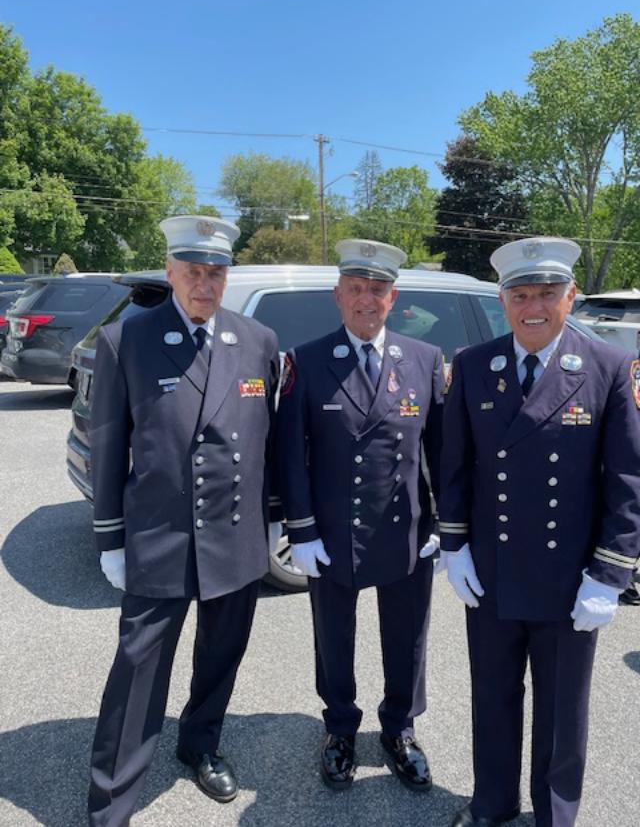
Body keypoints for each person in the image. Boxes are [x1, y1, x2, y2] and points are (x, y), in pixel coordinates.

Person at [438, 237, 640, 827]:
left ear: (570, 296)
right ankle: (492, 804)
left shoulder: (607, 366)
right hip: (493, 570)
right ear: (503, 300)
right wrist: (454, 545)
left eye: (547, 294)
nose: (533, 307)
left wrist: (609, 573)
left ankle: (555, 815)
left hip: (569, 576)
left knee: (561, 709)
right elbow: (455, 464)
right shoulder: (474, 364)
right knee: (492, 696)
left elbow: (627, 478)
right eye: (520, 295)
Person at [87, 215, 281, 826]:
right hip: (160, 534)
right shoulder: (127, 339)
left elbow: (269, 440)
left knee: (222, 655)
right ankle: (112, 798)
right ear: (170, 271)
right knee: (139, 670)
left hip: (235, 532)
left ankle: (200, 744)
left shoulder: (257, 340)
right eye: (193, 271)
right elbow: (107, 445)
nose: (204, 284)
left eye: (216, 272)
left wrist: (273, 519)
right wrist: (110, 537)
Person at [276, 239, 444, 792]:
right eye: (356, 289)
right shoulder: (306, 360)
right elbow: (290, 453)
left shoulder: (424, 359)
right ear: (338, 295)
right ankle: (340, 727)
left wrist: (445, 525)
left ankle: (400, 727)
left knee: (407, 637)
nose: (366, 299)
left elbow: (442, 451)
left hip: (405, 528)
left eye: (377, 289)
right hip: (332, 531)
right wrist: (300, 529)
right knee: (333, 636)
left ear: (393, 298)